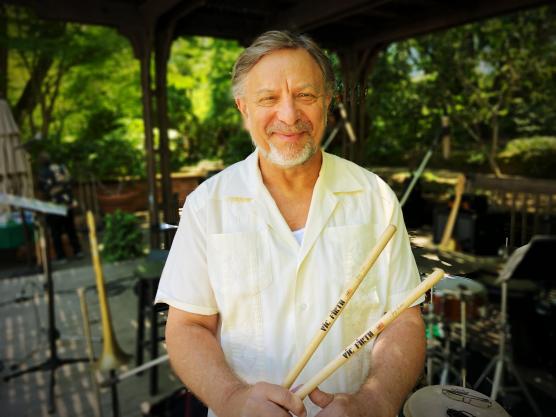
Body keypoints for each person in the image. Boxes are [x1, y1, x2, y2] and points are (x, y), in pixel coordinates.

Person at [156, 31, 425, 417]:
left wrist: (376, 401)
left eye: (305, 95)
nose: (288, 115)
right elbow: (187, 327)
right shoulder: (207, 206)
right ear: (243, 107)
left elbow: (403, 321)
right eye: (268, 98)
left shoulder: (374, 197)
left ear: (328, 103)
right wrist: (231, 399)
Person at [37, 151, 83, 263]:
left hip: (54, 206)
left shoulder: (43, 173)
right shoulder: (61, 168)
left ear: (41, 162)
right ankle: (78, 251)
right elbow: (71, 181)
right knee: (70, 228)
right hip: (68, 203)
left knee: (56, 232)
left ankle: (61, 256)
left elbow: (44, 190)